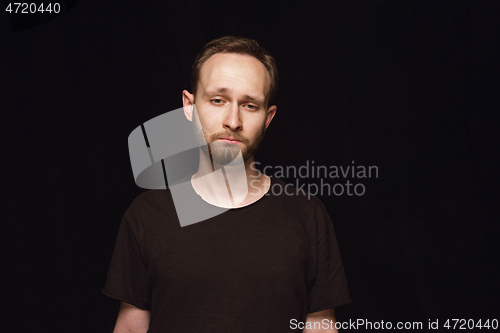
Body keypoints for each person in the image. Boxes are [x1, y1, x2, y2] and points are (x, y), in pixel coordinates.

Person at [102, 36, 352, 332]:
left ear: (268, 117)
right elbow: (131, 328)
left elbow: (320, 328)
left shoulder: (307, 216)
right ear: (189, 106)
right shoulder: (145, 216)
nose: (232, 120)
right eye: (218, 100)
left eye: (250, 105)